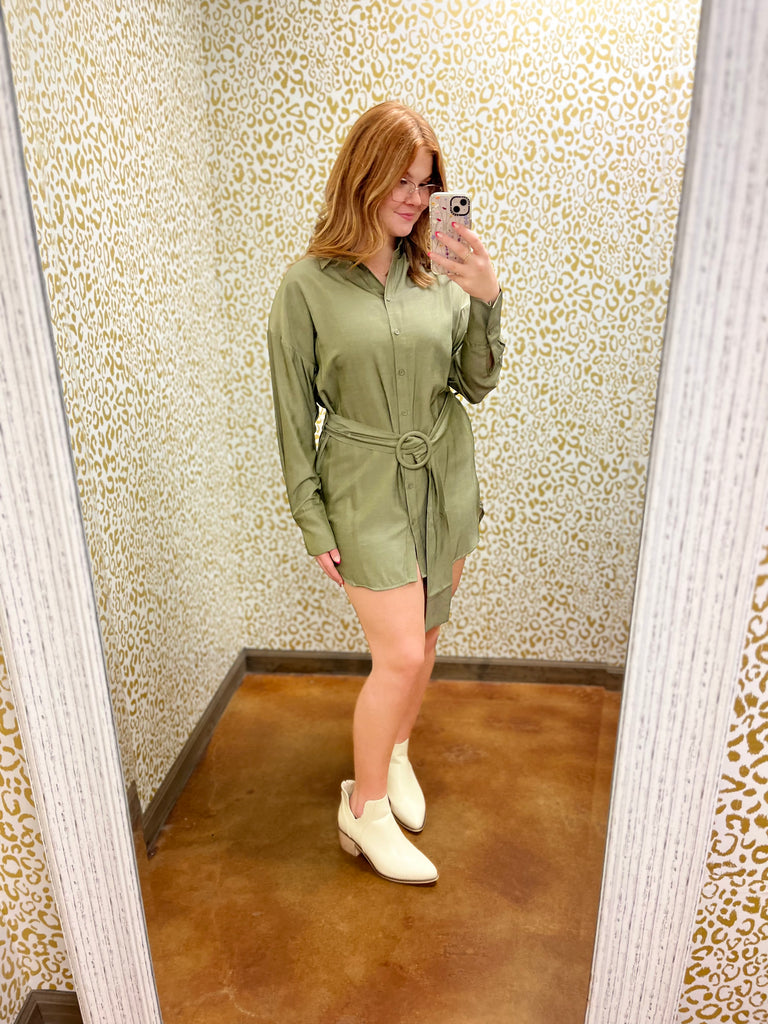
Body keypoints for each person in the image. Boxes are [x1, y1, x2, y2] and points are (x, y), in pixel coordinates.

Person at [268, 101, 504, 885]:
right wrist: (311, 517)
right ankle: (363, 809)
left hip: (446, 476)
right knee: (397, 653)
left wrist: (485, 298)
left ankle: (396, 751)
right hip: (364, 485)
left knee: (426, 640)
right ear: (361, 175)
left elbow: (474, 384)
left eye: (426, 183)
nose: (415, 197)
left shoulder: (436, 273)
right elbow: (292, 415)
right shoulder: (305, 287)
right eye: (400, 180)